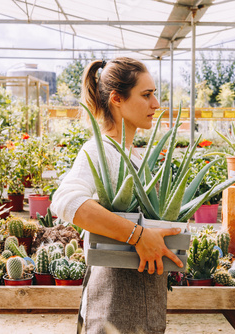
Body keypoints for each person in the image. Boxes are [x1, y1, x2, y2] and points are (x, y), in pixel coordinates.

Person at [51, 57, 184, 334]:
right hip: (113, 302)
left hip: (141, 301)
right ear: (117, 98)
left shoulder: (132, 154)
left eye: (154, 95)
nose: (155, 104)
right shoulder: (100, 151)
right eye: (146, 95)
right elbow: (66, 200)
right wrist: (138, 235)